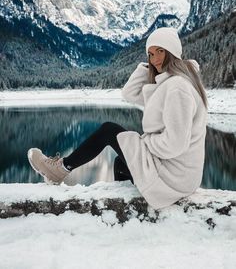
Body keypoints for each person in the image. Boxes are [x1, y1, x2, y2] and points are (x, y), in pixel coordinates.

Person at [28, 27, 208, 210]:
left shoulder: (177, 87)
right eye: (151, 54)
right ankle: (123, 209)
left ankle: (59, 169)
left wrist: (145, 143)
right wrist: (148, 67)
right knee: (121, 163)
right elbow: (130, 94)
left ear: (172, 51)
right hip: (179, 175)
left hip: (174, 176)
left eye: (160, 51)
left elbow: (175, 143)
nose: (155, 59)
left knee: (109, 130)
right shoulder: (170, 83)